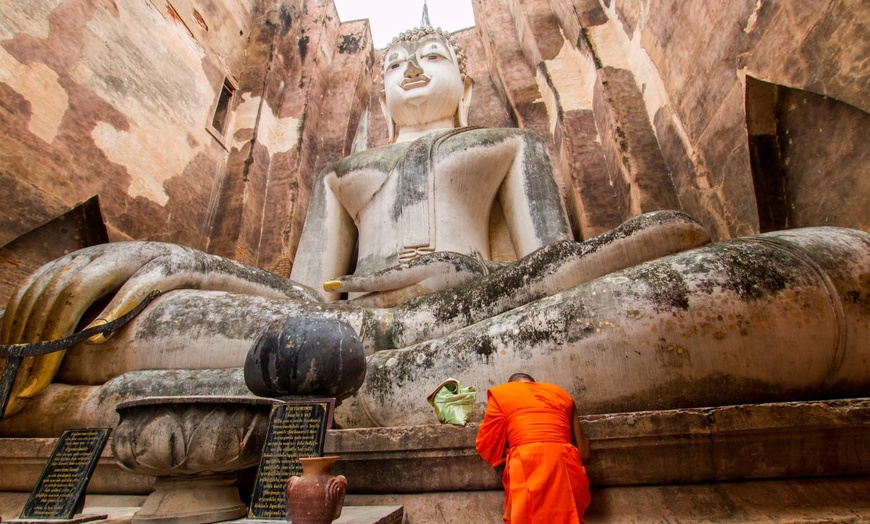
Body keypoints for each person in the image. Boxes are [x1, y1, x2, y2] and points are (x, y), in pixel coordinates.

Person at [1, 25, 867, 434]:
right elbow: (303, 295)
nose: (414, 66)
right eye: (397, 61)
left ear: (465, 76)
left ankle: (368, 395)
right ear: (377, 89)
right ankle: (365, 388)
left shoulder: (505, 143)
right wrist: (303, 314)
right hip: (329, 331)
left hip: (484, 317)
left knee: (806, 267)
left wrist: (470, 282)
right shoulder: (341, 175)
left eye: (433, 55)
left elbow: (557, 260)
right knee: (134, 288)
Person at [476, 373, 591, 523]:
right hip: (564, 465)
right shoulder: (561, 394)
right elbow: (585, 452)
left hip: (527, 463)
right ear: (535, 385)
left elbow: (486, 446)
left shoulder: (503, 394)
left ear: (511, 385)